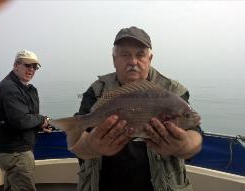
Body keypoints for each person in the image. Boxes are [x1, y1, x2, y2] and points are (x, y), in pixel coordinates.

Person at [71, 26, 203, 191]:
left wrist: (183, 145)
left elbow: (195, 135)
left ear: (150, 58)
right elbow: (77, 143)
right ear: (114, 59)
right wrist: (91, 146)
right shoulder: (97, 90)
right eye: (125, 55)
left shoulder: (173, 91)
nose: (133, 62)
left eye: (140, 55)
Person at [0, 50, 51, 191]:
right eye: (27, 65)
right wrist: (42, 119)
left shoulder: (24, 88)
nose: (31, 70)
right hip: (16, 153)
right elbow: (20, 120)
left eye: (35, 67)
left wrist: (39, 126)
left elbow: (21, 118)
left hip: (12, 151)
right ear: (16, 65)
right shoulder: (9, 89)